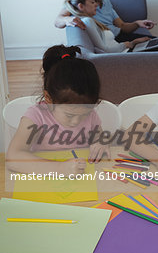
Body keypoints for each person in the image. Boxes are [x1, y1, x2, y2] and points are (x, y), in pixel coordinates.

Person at [7, 45, 110, 177]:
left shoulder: (90, 114)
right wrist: (59, 168)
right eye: (69, 115)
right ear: (49, 99)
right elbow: (13, 157)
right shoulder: (36, 116)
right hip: (43, 181)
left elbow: (99, 137)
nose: (76, 121)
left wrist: (101, 143)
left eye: (85, 114)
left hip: (83, 181)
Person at [64, 0, 150, 53]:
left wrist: (133, 43)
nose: (96, 5)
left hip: (123, 52)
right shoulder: (88, 21)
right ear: (81, 6)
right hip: (122, 56)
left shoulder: (90, 21)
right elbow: (104, 50)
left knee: (155, 43)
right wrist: (130, 44)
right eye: (93, 2)